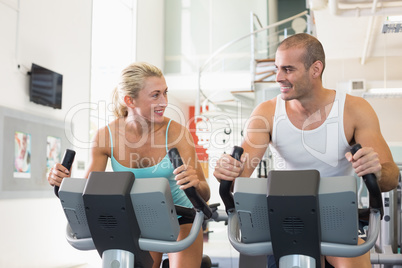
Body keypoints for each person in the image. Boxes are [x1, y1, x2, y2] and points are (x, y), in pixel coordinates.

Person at [213, 33, 399, 268]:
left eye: (288, 69)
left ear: (316, 69)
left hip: (337, 216)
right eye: (277, 68)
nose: (279, 77)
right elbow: (240, 177)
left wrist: (377, 171)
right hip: (285, 217)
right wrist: (227, 171)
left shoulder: (354, 109)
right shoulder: (266, 113)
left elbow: (391, 176)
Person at [48, 62, 210, 268]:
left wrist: (194, 184)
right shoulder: (106, 136)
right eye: (155, 95)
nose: (164, 102)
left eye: (165, 93)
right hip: (141, 217)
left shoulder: (177, 133)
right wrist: (64, 183)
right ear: (129, 100)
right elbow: (89, 192)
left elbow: (205, 194)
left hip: (182, 216)